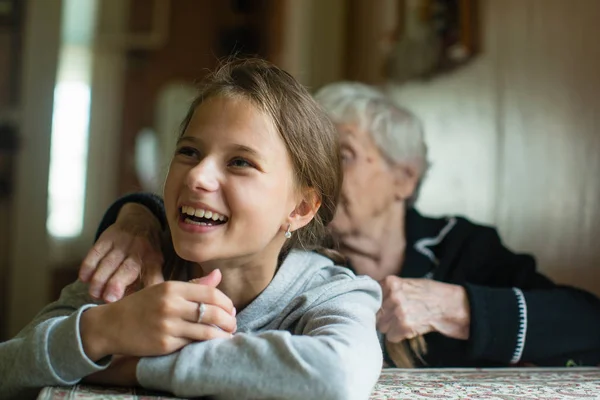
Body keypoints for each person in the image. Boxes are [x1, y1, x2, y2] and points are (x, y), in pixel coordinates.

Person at [77, 82, 600, 369]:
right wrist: (134, 216)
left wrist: (458, 307)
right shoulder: (287, 245)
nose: (318, 172)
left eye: (341, 155)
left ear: (405, 177)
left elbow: (586, 324)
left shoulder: (461, 246)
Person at [0, 60, 383, 400]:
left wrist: (135, 367)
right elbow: (7, 373)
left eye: (239, 162)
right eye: (189, 152)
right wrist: (103, 330)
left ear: (300, 207)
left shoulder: (330, 293)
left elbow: (337, 375)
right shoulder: (130, 270)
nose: (197, 176)